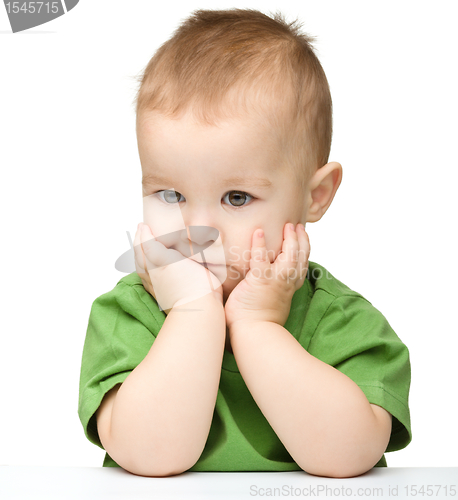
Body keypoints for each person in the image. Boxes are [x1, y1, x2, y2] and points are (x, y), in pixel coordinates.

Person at [78, 8, 411, 478]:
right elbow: (150, 456)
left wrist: (257, 326)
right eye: (170, 194)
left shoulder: (340, 320)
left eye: (237, 197)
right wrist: (193, 312)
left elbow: (349, 458)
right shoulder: (129, 315)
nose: (197, 229)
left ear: (315, 196)